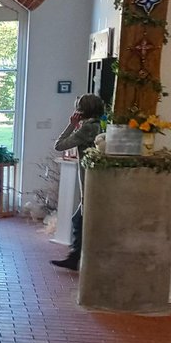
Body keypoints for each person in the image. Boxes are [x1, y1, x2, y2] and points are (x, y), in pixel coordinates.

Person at [51, 93, 105, 270]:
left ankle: (76, 258)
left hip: (90, 182)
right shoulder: (100, 125)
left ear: (82, 111)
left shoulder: (87, 129)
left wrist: (71, 125)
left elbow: (59, 145)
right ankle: (75, 257)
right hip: (95, 181)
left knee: (80, 221)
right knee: (79, 220)